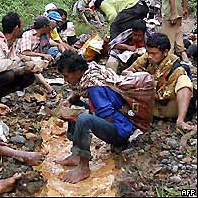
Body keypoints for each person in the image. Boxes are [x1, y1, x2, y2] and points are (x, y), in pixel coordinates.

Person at [54, 50, 135, 183]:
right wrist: (68, 101)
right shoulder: (89, 71)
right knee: (74, 108)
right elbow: (78, 92)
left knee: (83, 119)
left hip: (120, 130)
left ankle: (84, 167)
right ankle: (76, 155)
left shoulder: (94, 86)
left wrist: (77, 118)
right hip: (116, 120)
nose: (65, 80)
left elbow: (108, 118)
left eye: (67, 76)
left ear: (78, 71)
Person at [123, 33, 194, 131]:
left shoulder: (176, 67)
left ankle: (180, 120)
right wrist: (135, 76)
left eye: (154, 53)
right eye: (149, 52)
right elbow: (126, 72)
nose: (150, 56)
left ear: (165, 52)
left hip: (167, 105)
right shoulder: (146, 58)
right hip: (148, 103)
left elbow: (169, 92)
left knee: (184, 80)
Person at [16, 15, 59, 98]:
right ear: (44, 27)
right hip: (23, 58)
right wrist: (43, 55)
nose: (50, 28)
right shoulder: (28, 34)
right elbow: (25, 52)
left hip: (35, 58)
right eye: (48, 26)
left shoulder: (43, 36)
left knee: (53, 51)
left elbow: (53, 43)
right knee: (33, 66)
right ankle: (48, 88)